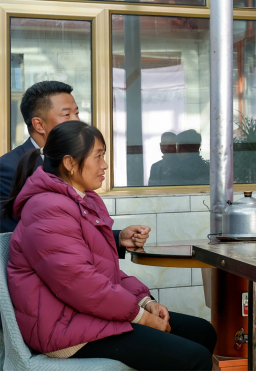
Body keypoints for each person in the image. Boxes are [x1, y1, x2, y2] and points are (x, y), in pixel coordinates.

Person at [5, 120, 216, 370]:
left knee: (202, 332)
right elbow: (81, 283)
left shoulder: (82, 201)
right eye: (98, 156)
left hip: (86, 314)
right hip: (64, 329)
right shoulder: (47, 208)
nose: (105, 165)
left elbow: (104, 271)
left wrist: (145, 302)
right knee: (194, 358)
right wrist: (142, 317)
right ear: (70, 163)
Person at [0, 81, 149, 256]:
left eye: (77, 113)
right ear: (39, 125)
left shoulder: (76, 163)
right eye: (66, 114)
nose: (76, 120)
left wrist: (118, 239)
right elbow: (23, 236)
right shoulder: (8, 168)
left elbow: (78, 227)